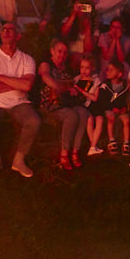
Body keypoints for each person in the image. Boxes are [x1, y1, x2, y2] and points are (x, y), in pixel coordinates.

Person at [0, 23, 40, 178]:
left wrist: (0, 77)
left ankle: (19, 160)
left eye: (10, 29)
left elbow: (27, 85)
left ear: (18, 36)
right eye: (4, 29)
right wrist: (16, 83)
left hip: (18, 102)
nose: (6, 31)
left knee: (34, 121)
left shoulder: (27, 59)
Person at [37, 40, 89, 171]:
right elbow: (46, 78)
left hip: (66, 101)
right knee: (71, 116)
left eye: (65, 52)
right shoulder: (46, 64)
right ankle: (64, 154)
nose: (62, 55)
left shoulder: (66, 67)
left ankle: (75, 151)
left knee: (83, 113)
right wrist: (63, 88)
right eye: (59, 51)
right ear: (52, 51)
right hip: (49, 102)